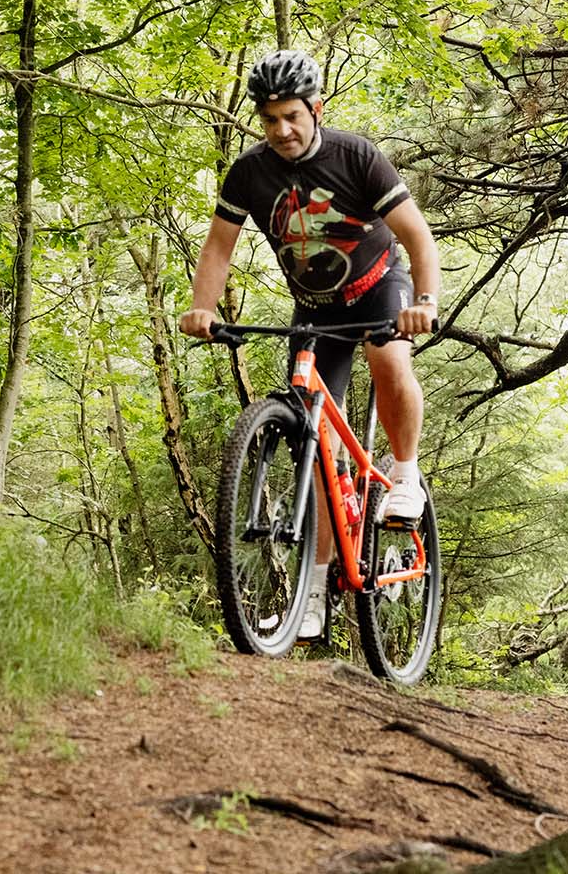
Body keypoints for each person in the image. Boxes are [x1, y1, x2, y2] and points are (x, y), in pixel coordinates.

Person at [179, 49, 439, 639]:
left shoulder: (357, 157)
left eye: (292, 116)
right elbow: (219, 247)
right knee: (316, 447)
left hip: (379, 289)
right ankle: (313, 596)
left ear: (315, 108)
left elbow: (417, 238)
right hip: (315, 309)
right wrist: (203, 308)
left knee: (388, 357)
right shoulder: (249, 172)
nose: (282, 130)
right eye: (269, 119)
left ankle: (404, 476)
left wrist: (424, 302)